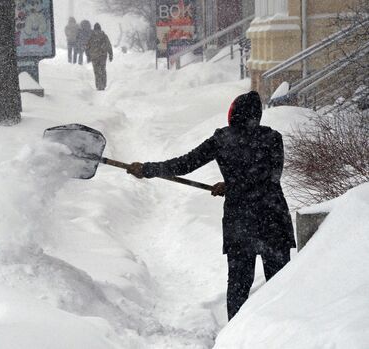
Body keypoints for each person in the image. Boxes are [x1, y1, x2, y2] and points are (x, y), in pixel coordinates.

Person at [126, 91, 296, 320]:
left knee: (239, 286)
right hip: (272, 218)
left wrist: (147, 169)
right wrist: (233, 184)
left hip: (241, 221)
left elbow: (185, 164)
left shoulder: (222, 139)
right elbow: (271, 177)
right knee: (281, 286)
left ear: (234, 113)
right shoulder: (273, 138)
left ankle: (236, 338)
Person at [86, 23, 113, 91]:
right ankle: (103, 85)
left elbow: (87, 47)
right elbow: (108, 45)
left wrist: (88, 55)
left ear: (94, 29)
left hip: (94, 56)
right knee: (103, 70)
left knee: (96, 71)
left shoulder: (91, 36)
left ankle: (98, 85)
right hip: (103, 56)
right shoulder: (104, 36)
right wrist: (110, 54)